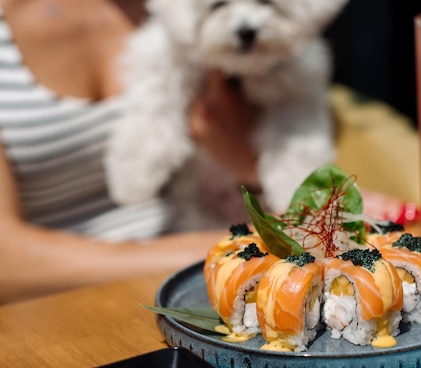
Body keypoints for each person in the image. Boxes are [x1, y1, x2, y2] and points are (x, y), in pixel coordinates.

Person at [0, 0, 262, 303]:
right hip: (64, 309)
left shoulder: (194, 9)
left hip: (222, 281)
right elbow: (8, 262)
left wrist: (251, 171)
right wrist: (241, 244)